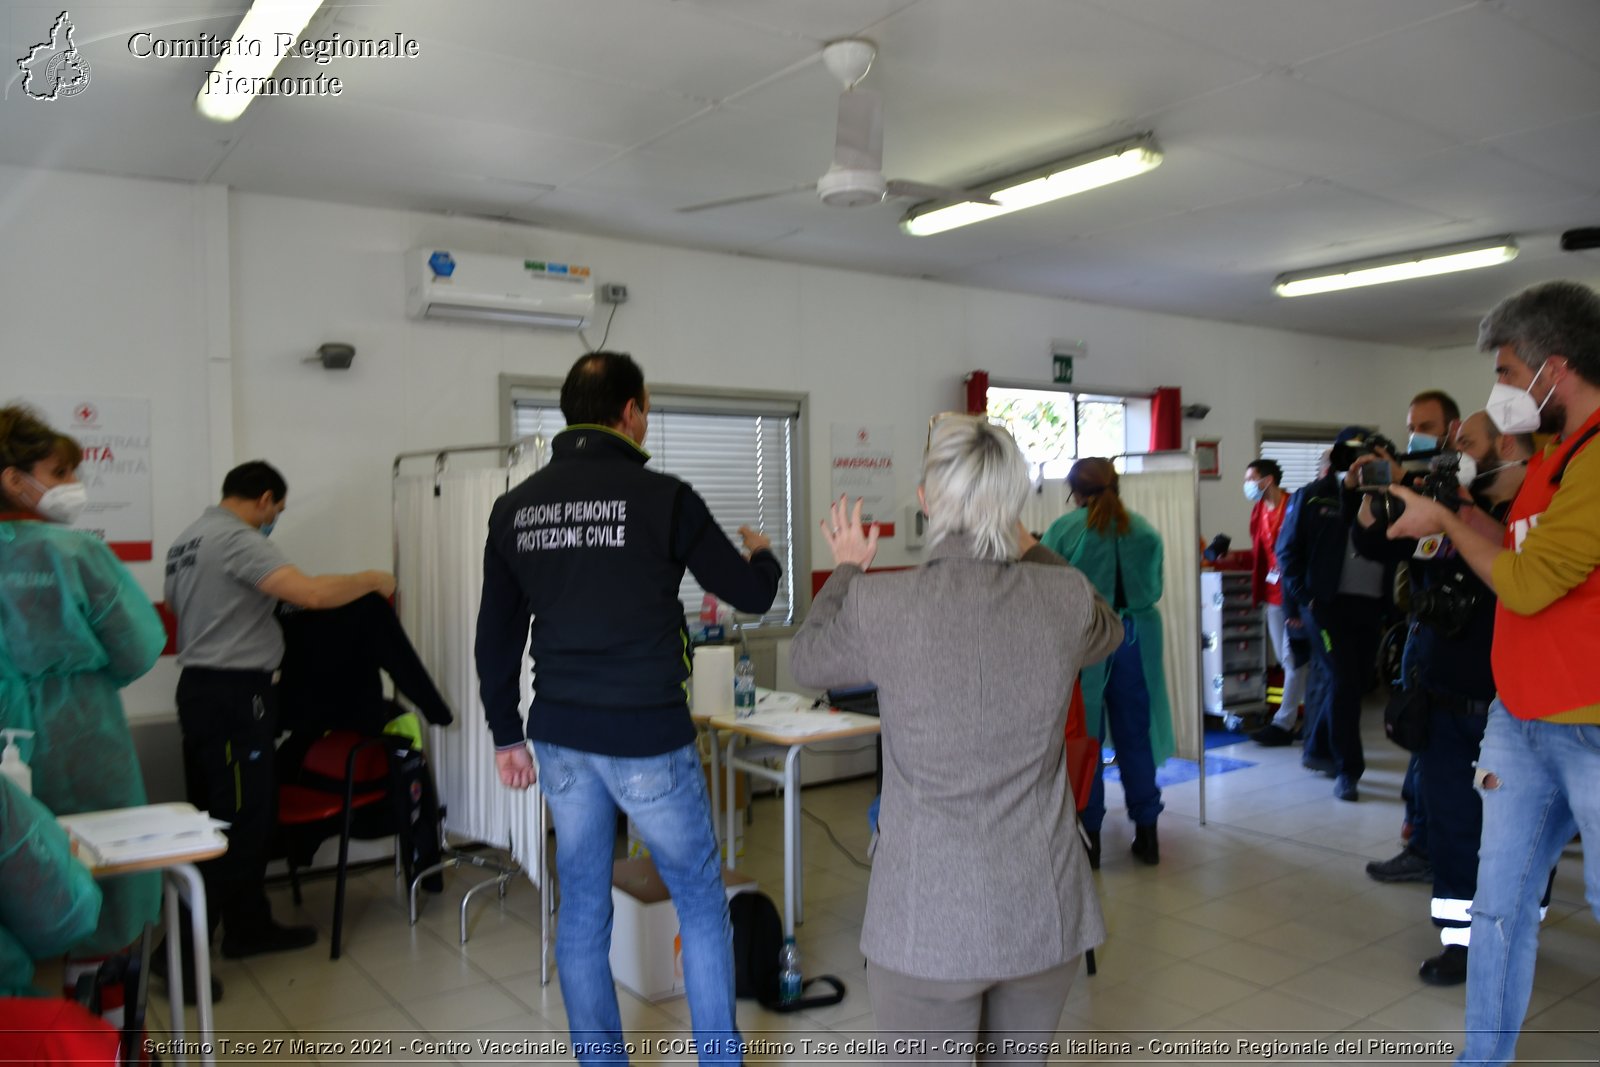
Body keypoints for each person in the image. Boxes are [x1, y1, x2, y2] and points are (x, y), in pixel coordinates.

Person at [476, 351, 780, 1067]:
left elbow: (496, 634)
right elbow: (753, 593)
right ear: (632, 413)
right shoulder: (664, 497)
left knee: (581, 907)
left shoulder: (516, 508)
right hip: (647, 734)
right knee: (702, 902)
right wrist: (764, 553)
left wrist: (503, 734)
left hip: (559, 736)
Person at [789, 416, 1121, 1062]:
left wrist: (849, 569)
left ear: (924, 499)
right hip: (1041, 910)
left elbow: (807, 660)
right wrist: (1027, 544)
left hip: (924, 918)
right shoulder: (1063, 596)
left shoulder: (883, 604)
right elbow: (1106, 627)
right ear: (1017, 505)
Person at [1383, 281, 1600, 1065]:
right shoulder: (1554, 458)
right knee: (1498, 910)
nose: (1500, 391)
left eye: (1508, 372)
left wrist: (1448, 521)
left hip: (1590, 725)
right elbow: (1517, 549)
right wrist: (1455, 513)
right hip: (1522, 717)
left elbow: (1529, 582)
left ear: (1554, 369)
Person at [162, 460, 396, 990]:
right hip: (234, 699)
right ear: (264, 499)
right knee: (244, 824)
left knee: (220, 819)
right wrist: (370, 581)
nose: (274, 522)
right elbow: (308, 594)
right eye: (277, 512)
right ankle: (172, 953)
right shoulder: (236, 538)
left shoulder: (187, 542)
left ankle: (248, 927)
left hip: (203, 692)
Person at [1353, 410, 1534, 986]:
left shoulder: (1533, 513)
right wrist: (1373, 501)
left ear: (1506, 445)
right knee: (1454, 829)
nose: (1453, 450)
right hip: (1445, 702)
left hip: (1513, 710)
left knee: (1516, 834)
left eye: (1466, 442)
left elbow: (1517, 567)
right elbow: (1385, 548)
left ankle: (1518, 931)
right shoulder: (1445, 505)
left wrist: (1458, 511)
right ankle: (1461, 942)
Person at [0, 405, 165, 965]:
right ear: (14, 480)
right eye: (61, 472)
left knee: (18, 873)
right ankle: (107, 1017)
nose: (74, 486)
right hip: (81, 731)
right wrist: (80, 677)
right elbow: (139, 645)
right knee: (106, 866)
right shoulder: (78, 554)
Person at [1042, 457, 1173, 865]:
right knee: (1136, 735)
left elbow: (1043, 586)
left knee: (1087, 739)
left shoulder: (1065, 531)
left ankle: (1090, 837)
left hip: (1086, 641)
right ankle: (1148, 834)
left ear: (1076, 493)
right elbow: (1153, 587)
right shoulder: (1146, 531)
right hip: (1136, 638)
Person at [1276, 426, 1394, 801]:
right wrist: (1302, 599)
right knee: (1342, 681)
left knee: (1355, 683)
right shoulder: (1313, 496)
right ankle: (1348, 771)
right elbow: (1287, 552)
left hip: (1372, 606)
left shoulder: (1392, 497)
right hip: (1326, 606)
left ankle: (1320, 749)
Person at [1242, 458, 1305, 746]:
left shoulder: (1293, 505)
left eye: (1251, 478)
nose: (1248, 485)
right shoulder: (1258, 511)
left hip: (1293, 594)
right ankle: (1307, 715)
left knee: (1293, 659)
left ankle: (1284, 722)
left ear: (1268, 480)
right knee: (1285, 659)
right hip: (1271, 593)